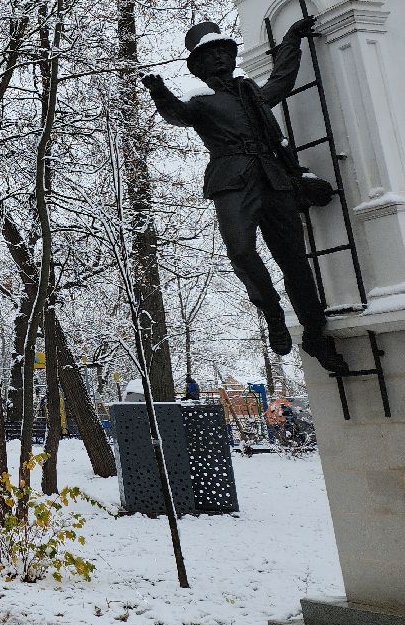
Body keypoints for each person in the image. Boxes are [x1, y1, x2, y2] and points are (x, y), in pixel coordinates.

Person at [144, 19, 348, 374]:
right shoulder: (201, 100)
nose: (220, 58)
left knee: (295, 263)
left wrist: (291, 41)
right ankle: (272, 310)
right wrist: (161, 95)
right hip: (232, 181)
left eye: (224, 51)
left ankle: (315, 334)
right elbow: (178, 115)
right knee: (240, 250)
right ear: (199, 67)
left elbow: (281, 81)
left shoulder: (250, 92)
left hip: (273, 178)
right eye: (211, 55)